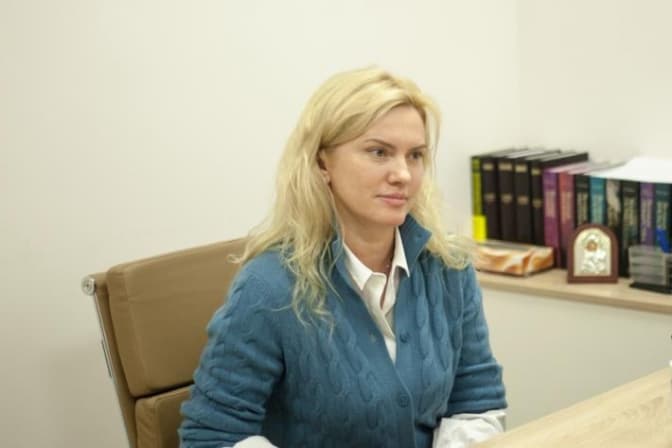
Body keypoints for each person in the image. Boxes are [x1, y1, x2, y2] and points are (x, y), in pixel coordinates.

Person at [179, 67, 507, 448]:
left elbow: (475, 403)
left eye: (415, 155)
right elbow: (212, 437)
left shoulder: (449, 266)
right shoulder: (270, 288)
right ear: (323, 163)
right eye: (379, 152)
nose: (403, 174)